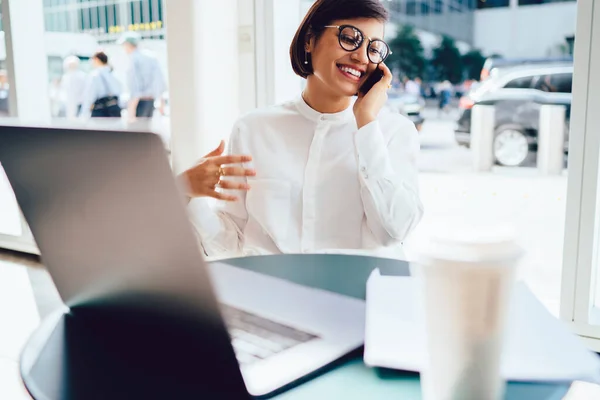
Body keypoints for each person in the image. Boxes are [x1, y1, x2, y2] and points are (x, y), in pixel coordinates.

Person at [180, 0, 423, 260]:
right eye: (350, 38)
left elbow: (393, 231)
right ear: (310, 39)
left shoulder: (394, 132)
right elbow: (231, 243)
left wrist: (366, 123)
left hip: (360, 296)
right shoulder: (254, 129)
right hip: (272, 293)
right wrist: (185, 194)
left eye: (374, 48)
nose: (362, 57)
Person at [117, 31, 166, 123]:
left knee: (136, 134)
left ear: (128, 44)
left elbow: (135, 85)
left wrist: (131, 110)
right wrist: (161, 100)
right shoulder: (151, 57)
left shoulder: (133, 59)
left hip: (138, 102)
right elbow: (159, 80)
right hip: (151, 101)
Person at [80, 52, 122, 119]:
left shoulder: (94, 75)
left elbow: (89, 95)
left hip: (100, 111)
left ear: (97, 60)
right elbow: (120, 92)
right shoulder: (114, 74)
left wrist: (84, 113)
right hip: (114, 110)